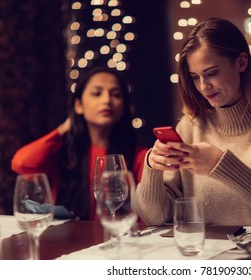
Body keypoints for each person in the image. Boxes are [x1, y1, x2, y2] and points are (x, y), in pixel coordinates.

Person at [133, 18, 251, 233]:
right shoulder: (190, 127)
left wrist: (222, 166)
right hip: (205, 257)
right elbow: (154, 218)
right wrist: (152, 168)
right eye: (195, 77)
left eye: (212, 73)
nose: (203, 86)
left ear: (241, 63)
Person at [11, 67, 148, 220]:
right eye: (97, 93)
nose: (107, 100)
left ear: (123, 108)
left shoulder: (139, 157)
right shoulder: (66, 151)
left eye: (115, 94)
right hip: (69, 240)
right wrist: (64, 128)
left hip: (117, 237)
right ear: (78, 105)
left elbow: (146, 215)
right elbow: (22, 163)